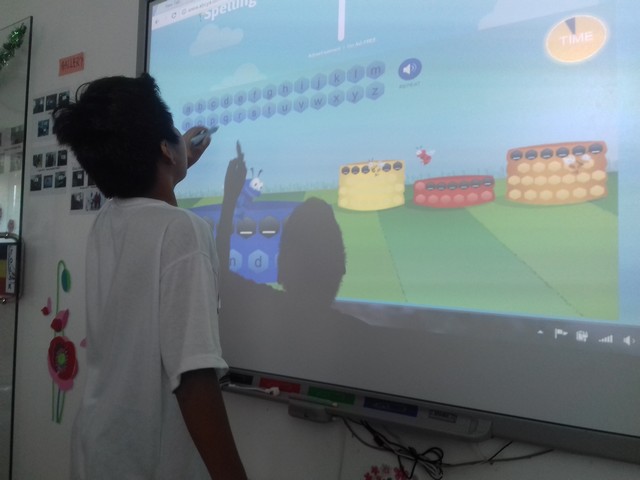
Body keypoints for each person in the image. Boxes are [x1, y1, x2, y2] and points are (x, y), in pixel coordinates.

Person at [52, 73, 248, 480]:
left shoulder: (108, 218)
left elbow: (149, 210)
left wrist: (175, 160)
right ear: (164, 149)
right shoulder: (182, 231)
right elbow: (194, 378)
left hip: (99, 448)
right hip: (149, 461)